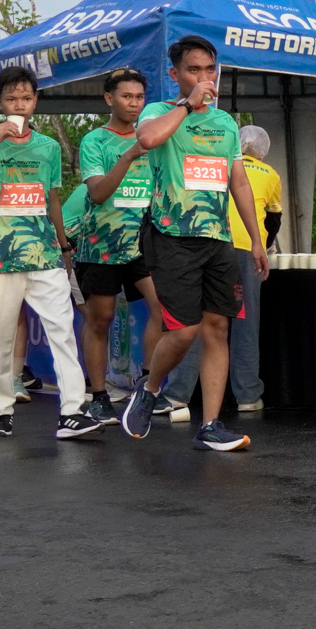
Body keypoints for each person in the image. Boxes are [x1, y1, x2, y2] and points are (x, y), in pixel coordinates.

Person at [115, 35, 270, 450]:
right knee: (184, 331)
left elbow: (238, 182)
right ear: (175, 74)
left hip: (218, 238)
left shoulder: (225, 124)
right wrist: (188, 104)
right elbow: (147, 140)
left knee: (218, 327)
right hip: (172, 235)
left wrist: (257, 240)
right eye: (194, 70)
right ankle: (150, 390)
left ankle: (211, 425)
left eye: (210, 69)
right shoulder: (159, 111)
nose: (205, 77)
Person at [0, 66, 94, 439]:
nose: (19, 105)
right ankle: (1, 410)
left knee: (63, 331)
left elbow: (52, 198)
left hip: (44, 255)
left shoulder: (47, 147)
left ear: (35, 101)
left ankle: (73, 411)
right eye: (11, 99)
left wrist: (63, 245)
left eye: (26, 98)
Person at [169, 123, 282, 415]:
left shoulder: (218, 163)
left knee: (195, 318)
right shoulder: (270, 174)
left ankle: (177, 395)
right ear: (263, 150)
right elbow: (273, 220)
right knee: (246, 322)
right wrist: (263, 245)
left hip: (209, 242)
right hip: (246, 248)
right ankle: (248, 395)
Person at [71, 68, 161, 426]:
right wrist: (128, 155)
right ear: (110, 99)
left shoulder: (154, 138)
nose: (134, 104)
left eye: (139, 97)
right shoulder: (95, 141)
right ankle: (98, 396)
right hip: (101, 246)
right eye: (126, 96)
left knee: (164, 310)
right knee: (101, 319)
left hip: (143, 245)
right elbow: (97, 193)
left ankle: (146, 388)